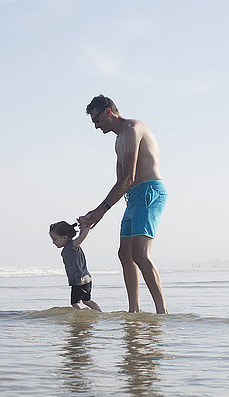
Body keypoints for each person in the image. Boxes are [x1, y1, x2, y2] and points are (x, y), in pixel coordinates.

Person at [78, 94, 168, 314]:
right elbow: (122, 184)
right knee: (124, 254)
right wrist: (94, 215)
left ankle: (162, 313)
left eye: (97, 120)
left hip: (149, 192)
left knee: (140, 254)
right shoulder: (118, 141)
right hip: (133, 197)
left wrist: (101, 211)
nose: (96, 126)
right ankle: (133, 311)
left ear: (108, 111)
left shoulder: (132, 129)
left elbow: (129, 176)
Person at [49, 221, 102, 312]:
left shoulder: (72, 246)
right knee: (87, 301)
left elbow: (82, 237)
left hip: (79, 281)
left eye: (55, 239)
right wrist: (83, 226)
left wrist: (86, 226)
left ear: (65, 237)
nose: (53, 242)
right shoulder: (70, 246)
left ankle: (81, 316)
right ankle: (100, 313)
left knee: (75, 302)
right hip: (86, 280)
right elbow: (80, 236)